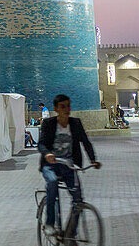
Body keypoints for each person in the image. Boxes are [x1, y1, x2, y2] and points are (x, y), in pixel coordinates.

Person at [38, 94, 101, 237]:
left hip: (68, 165)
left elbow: (85, 142)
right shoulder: (48, 124)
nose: (66, 109)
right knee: (52, 182)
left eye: (68, 106)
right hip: (50, 165)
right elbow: (41, 144)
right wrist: (47, 154)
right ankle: (49, 223)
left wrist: (93, 159)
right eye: (62, 107)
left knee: (78, 200)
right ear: (56, 109)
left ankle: (70, 235)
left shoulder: (75, 123)